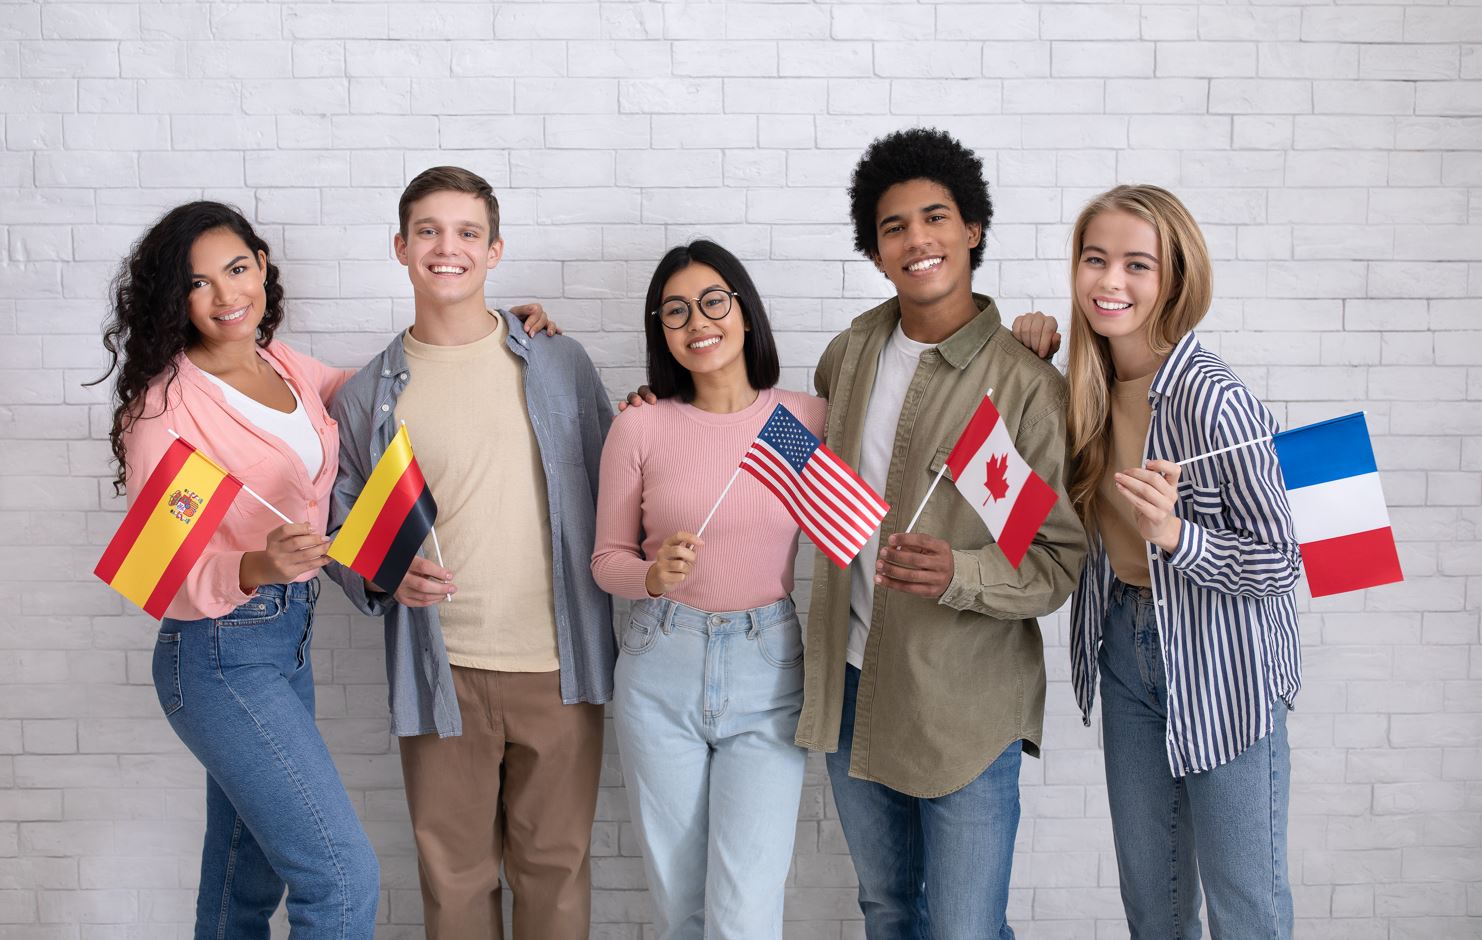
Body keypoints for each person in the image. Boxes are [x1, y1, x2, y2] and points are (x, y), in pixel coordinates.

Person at [799, 128, 1086, 938]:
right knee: (888, 910)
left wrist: (958, 571)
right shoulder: (848, 355)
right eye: (895, 227)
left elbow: (1054, 563)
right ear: (876, 249)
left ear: (973, 230)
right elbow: (769, 427)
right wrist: (664, 402)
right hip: (851, 685)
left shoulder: (1025, 388)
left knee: (964, 928)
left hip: (965, 706)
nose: (917, 239)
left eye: (936, 217)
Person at [325, 166, 615, 940]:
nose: (445, 247)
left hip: (560, 667)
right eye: (428, 230)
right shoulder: (367, 395)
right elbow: (341, 523)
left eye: (465, 233)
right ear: (400, 246)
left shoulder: (560, 363)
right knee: (454, 883)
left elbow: (620, 479)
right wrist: (382, 574)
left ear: (494, 250)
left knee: (555, 875)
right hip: (438, 675)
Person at [1011, 185, 1302, 939]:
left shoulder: (1214, 401)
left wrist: (1177, 536)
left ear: (1174, 278)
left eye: (1137, 265)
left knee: (1247, 912)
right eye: (1095, 259)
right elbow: (1031, 507)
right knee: (1155, 906)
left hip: (1224, 665)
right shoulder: (1082, 387)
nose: (1111, 281)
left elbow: (1280, 562)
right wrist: (1022, 365)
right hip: (1126, 653)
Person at [96, 201, 380, 939]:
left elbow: (374, 391)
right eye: (200, 283)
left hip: (284, 644)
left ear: (261, 266)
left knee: (243, 882)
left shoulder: (282, 364)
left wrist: (486, 333)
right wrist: (258, 561)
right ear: (173, 299)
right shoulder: (169, 410)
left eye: (238, 268)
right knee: (341, 876)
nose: (227, 296)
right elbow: (160, 568)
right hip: (218, 656)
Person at [591, 241, 823, 938]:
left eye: (714, 301)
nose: (698, 321)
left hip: (769, 667)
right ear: (661, 331)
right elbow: (606, 559)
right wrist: (650, 576)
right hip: (662, 662)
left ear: (745, 313)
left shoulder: (804, 421)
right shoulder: (640, 424)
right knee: (681, 900)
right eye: (676, 311)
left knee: (745, 905)